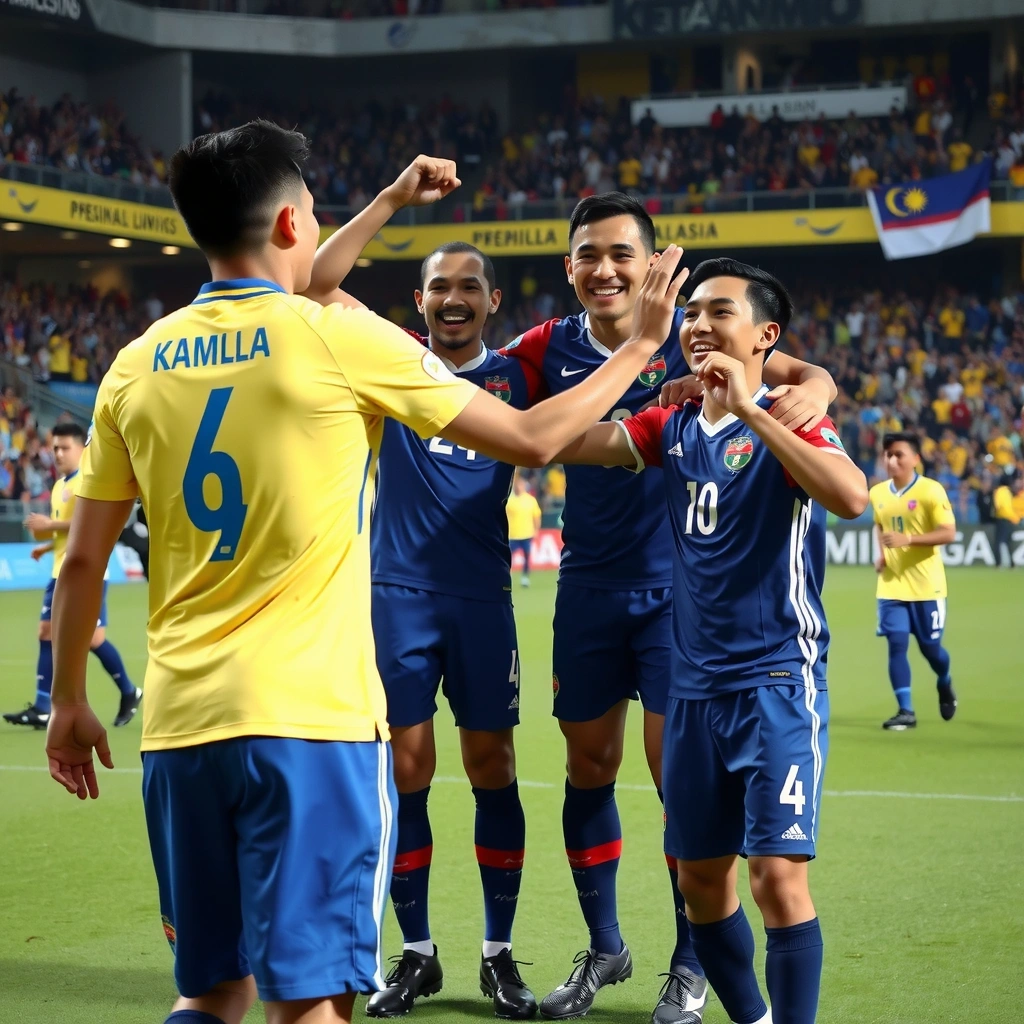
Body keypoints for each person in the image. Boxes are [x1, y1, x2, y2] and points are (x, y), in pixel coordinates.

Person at [41, 123, 689, 1024]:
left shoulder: (131, 365)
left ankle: (485, 950)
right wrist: (637, 348)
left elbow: (81, 557)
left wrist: (70, 698)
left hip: (178, 723)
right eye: (312, 212)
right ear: (288, 227)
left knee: (211, 989)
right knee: (310, 1003)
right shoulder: (336, 341)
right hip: (308, 723)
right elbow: (539, 440)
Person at [499, 193, 838, 1024]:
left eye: (623, 253)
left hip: (708, 629)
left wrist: (808, 382)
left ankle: (691, 970)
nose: (605, 268)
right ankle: (610, 945)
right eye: (588, 254)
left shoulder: (726, 370)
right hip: (594, 591)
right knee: (596, 773)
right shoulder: (564, 355)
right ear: (569, 268)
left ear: (653, 263)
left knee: (723, 837)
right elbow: (518, 419)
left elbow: (808, 407)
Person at [303, 190, 544, 1020]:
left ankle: (498, 953)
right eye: (440, 286)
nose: (453, 299)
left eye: (469, 286)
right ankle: (415, 954)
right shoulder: (388, 357)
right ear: (420, 300)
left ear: (491, 301)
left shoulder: (518, 371)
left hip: (482, 599)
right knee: (406, 771)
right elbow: (315, 279)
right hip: (397, 597)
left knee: (493, 769)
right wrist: (398, 196)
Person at [3, 422, 141, 730]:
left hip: (86, 570)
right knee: (46, 631)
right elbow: (68, 530)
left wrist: (49, 527)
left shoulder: (87, 483)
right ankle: (42, 707)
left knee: (92, 639)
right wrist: (46, 546)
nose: (58, 453)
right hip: (61, 569)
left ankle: (129, 691)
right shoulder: (59, 486)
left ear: (82, 449)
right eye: (54, 447)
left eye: (65, 447)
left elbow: (89, 522)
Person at [868, 431, 959, 729]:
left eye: (898, 455)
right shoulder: (878, 493)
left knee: (931, 650)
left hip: (926, 587)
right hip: (891, 585)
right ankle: (905, 711)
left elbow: (948, 532)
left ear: (915, 459)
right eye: (888, 455)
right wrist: (879, 553)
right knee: (896, 644)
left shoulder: (931, 491)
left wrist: (908, 539)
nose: (892, 461)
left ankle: (944, 681)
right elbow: (879, 526)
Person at [506, 473, 542, 588]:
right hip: (512, 535)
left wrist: (536, 530)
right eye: (517, 485)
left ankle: (525, 578)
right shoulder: (509, 501)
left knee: (527, 557)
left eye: (521, 485)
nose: (519, 487)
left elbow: (536, 516)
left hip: (527, 533)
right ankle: (507, 577)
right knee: (507, 558)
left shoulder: (530, 500)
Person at [993, 474, 1022, 569]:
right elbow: (1000, 507)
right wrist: (1012, 517)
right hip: (1003, 519)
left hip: (1004, 519)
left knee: (1004, 541)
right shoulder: (1003, 491)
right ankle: (1001, 563)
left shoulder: (1001, 491)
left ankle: (1004, 563)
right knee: (1003, 541)